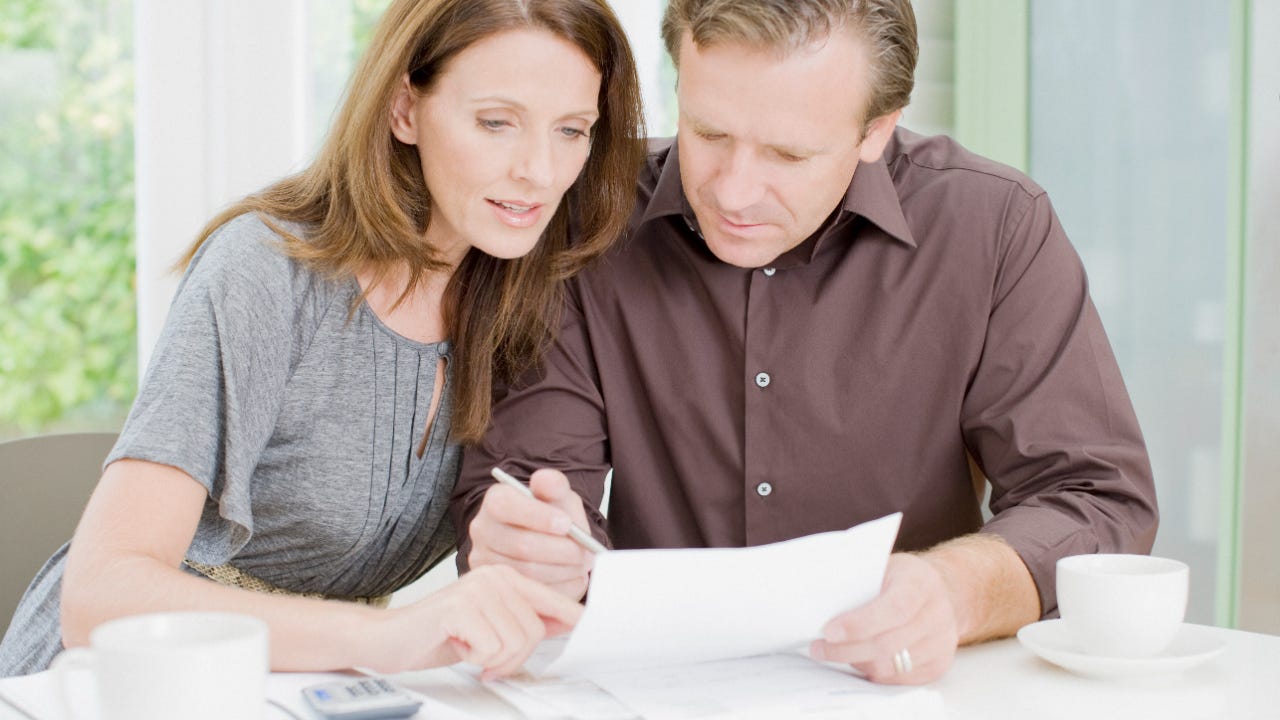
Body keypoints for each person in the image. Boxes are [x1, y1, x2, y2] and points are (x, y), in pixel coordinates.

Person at [450, 0, 1158, 686]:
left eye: (788, 154)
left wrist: (953, 590)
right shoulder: (584, 220)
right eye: (708, 133)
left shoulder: (995, 228)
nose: (734, 191)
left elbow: (1096, 499)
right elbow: (521, 491)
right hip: (646, 693)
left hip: (914, 694)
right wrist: (538, 555)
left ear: (877, 130)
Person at [0, 0, 645, 679]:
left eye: (572, 130)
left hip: (303, 693)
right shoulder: (267, 270)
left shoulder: (525, 301)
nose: (540, 171)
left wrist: (548, 556)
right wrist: (386, 637)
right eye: (495, 122)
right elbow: (99, 598)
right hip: (120, 685)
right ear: (404, 109)